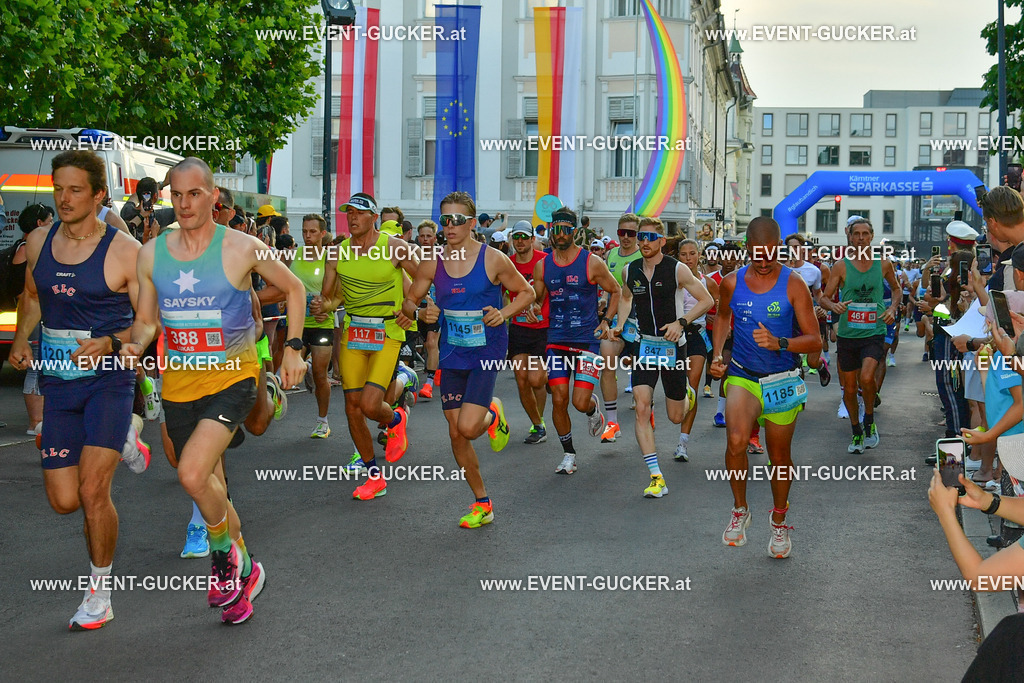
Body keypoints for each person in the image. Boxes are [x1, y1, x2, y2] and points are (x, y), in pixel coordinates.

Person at [124, 157, 307, 624]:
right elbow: (147, 321)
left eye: (194, 194)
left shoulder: (243, 248)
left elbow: (295, 290)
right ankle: (246, 567)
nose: (184, 204)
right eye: (176, 195)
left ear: (213, 197)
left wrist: (294, 349)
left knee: (190, 475)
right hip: (179, 383)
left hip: (234, 377)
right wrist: (132, 345)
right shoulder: (151, 253)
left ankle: (224, 562)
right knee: (210, 485)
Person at [9, 150, 150, 630]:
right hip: (58, 383)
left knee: (92, 491)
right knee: (63, 500)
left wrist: (113, 341)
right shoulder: (37, 239)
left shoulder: (125, 250)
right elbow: (32, 296)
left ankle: (100, 593)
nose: (64, 198)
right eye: (58, 188)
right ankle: (129, 438)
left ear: (98, 195)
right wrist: (23, 337)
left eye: (75, 190)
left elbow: (148, 324)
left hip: (110, 379)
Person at [400, 192, 534, 527]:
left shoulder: (493, 259)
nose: (450, 226)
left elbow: (528, 292)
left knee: (469, 427)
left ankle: (491, 413)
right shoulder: (431, 261)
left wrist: (502, 313)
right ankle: (482, 503)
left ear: (472, 223)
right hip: (453, 351)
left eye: (457, 220)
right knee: (456, 434)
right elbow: (408, 303)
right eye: (445, 219)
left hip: (486, 351)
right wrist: (421, 311)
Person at [709, 216, 821, 557]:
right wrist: (717, 354)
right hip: (743, 374)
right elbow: (723, 317)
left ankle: (779, 520)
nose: (763, 259)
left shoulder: (794, 284)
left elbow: (815, 340)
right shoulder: (731, 283)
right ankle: (740, 511)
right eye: (757, 252)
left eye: (770, 251)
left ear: (780, 249)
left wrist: (781, 343)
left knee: (780, 456)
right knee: (736, 440)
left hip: (782, 380)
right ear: (747, 249)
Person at [317, 192, 419, 499]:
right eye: (348, 212)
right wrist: (321, 305)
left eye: (359, 213)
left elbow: (424, 278)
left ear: (373, 217)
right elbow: (333, 297)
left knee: (371, 405)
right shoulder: (336, 253)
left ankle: (396, 417)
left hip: (387, 331)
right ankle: (374, 475)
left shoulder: (395, 247)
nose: (352, 218)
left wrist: (412, 307)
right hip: (354, 332)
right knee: (352, 408)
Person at [614, 221, 710, 496]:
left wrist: (682, 322)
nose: (643, 242)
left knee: (675, 415)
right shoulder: (629, 270)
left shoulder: (676, 269)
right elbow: (626, 298)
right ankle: (656, 476)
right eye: (640, 237)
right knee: (642, 407)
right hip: (645, 346)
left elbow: (706, 301)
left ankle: (688, 394)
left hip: (673, 348)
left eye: (650, 237)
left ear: (661, 242)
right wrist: (620, 325)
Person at [532, 206, 621, 475]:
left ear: (574, 232)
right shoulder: (542, 265)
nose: (559, 235)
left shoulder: (591, 262)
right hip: (556, 340)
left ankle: (593, 409)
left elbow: (615, 290)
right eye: (555, 229)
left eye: (565, 230)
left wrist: (605, 321)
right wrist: (534, 307)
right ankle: (569, 454)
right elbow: (537, 298)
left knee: (579, 402)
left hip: (586, 341)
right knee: (559, 397)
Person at [819, 218, 900, 453]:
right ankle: (856, 432)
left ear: (872, 236)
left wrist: (892, 309)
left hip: (874, 330)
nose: (862, 238)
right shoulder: (841, 266)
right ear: (851, 237)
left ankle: (870, 421)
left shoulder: (883, 264)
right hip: (847, 334)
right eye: (857, 234)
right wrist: (833, 307)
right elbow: (824, 296)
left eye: (866, 234)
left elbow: (896, 288)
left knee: (867, 377)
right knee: (850, 389)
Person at [259, 214, 334, 438]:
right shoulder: (293, 255)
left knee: (321, 375)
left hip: (322, 323)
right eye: (304, 231)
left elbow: (340, 294)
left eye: (312, 232)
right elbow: (278, 279)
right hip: (298, 324)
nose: (308, 236)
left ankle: (323, 421)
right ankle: (279, 389)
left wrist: (326, 306)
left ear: (322, 233)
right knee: (288, 371)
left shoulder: (331, 259)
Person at [598, 214, 643, 442]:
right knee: (607, 359)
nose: (626, 237)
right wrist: (605, 303)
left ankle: (645, 405)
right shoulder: (611, 255)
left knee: (641, 369)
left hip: (641, 321)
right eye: (621, 233)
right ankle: (612, 422)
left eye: (631, 233)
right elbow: (609, 286)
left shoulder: (644, 255)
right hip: (617, 319)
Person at [672, 238, 718, 461]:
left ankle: (683, 442)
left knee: (692, 387)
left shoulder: (708, 282)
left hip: (696, 335)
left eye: (692, 254)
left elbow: (718, 311)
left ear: (699, 255)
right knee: (673, 387)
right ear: (678, 256)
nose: (688, 258)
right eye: (684, 254)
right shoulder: (670, 278)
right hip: (671, 337)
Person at [506, 220, 549, 443]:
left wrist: (539, 305)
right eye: (517, 237)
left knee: (535, 379)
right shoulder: (508, 264)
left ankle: (546, 381)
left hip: (543, 328)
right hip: (519, 329)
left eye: (524, 237)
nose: (520, 241)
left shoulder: (544, 261)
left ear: (533, 239)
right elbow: (503, 294)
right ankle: (538, 424)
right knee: (521, 379)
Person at [416, 220, 442, 400]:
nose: (425, 240)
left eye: (428, 236)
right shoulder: (412, 257)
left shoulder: (442, 257)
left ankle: (429, 383)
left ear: (434, 238)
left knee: (432, 343)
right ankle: (437, 369)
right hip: (417, 307)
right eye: (422, 236)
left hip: (436, 308)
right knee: (426, 344)